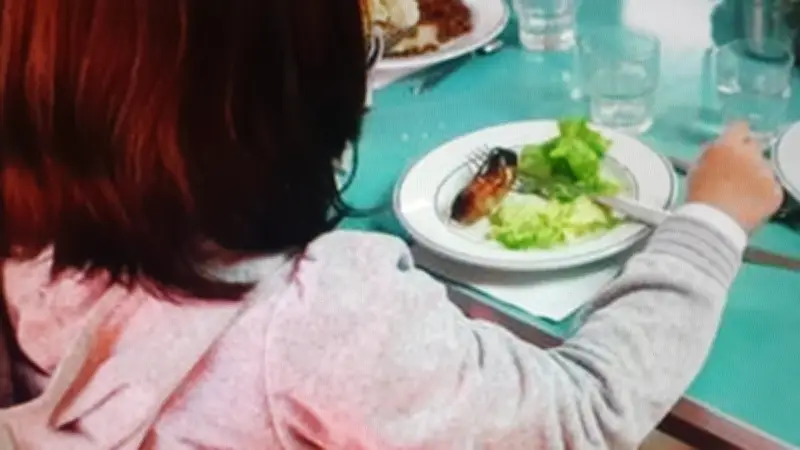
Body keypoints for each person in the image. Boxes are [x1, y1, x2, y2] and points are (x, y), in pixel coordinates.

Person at [0, 0, 782, 448]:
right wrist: (712, 221)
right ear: (286, 94)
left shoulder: (27, 248)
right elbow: (585, 412)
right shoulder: (317, 321)